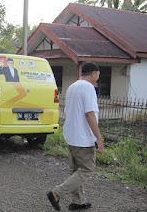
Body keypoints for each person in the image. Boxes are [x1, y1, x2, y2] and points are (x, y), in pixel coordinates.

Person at [46, 62, 104, 211]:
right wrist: (98, 137)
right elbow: (89, 113)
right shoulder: (88, 87)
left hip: (71, 135)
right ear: (93, 73)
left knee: (75, 169)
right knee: (88, 169)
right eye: (98, 75)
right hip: (83, 138)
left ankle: (78, 201)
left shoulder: (73, 87)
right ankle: (56, 193)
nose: (98, 78)